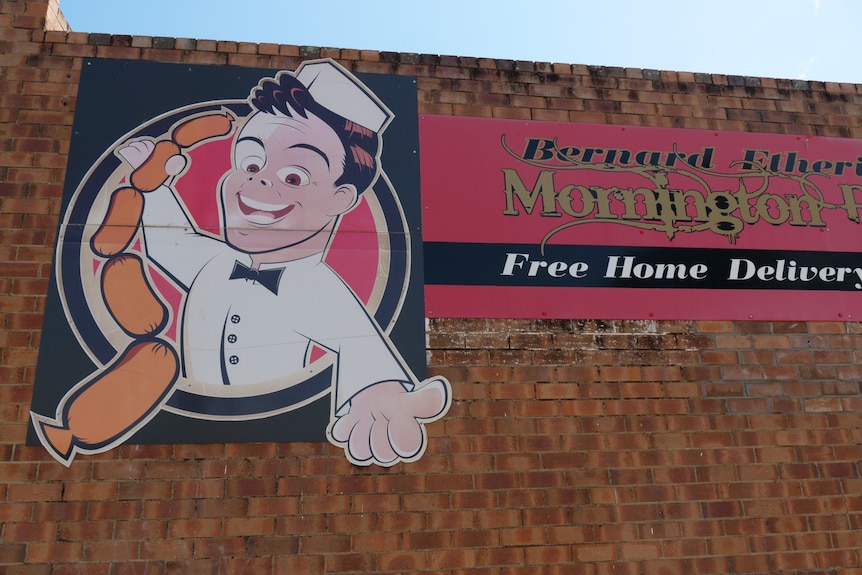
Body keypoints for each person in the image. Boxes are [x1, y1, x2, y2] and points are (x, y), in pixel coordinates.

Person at [120, 60, 450, 466]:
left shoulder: (315, 287)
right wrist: (153, 187)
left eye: (294, 176)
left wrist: (378, 393)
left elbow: (359, 343)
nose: (258, 182)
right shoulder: (214, 262)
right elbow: (169, 240)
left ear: (341, 199)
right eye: (251, 164)